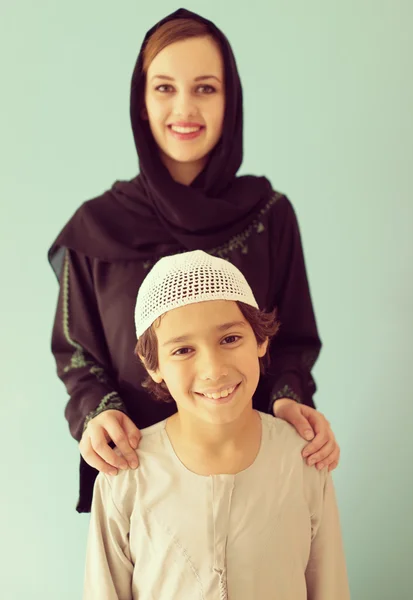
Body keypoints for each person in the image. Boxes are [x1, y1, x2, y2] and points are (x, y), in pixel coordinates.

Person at [48, 8, 340, 513]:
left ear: (232, 101)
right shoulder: (96, 228)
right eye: (164, 88)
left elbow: (291, 340)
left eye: (205, 88)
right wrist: (98, 416)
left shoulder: (269, 216)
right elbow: (78, 358)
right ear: (141, 101)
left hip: (256, 477)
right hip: (142, 481)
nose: (184, 107)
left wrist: (289, 399)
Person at [83, 250, 350, 599]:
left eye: (229, 339)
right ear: (154, 366)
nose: (214, 369)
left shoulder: (304, 460)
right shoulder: (125, 476)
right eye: (182, 350)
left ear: (260, 339)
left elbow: (330, 588)